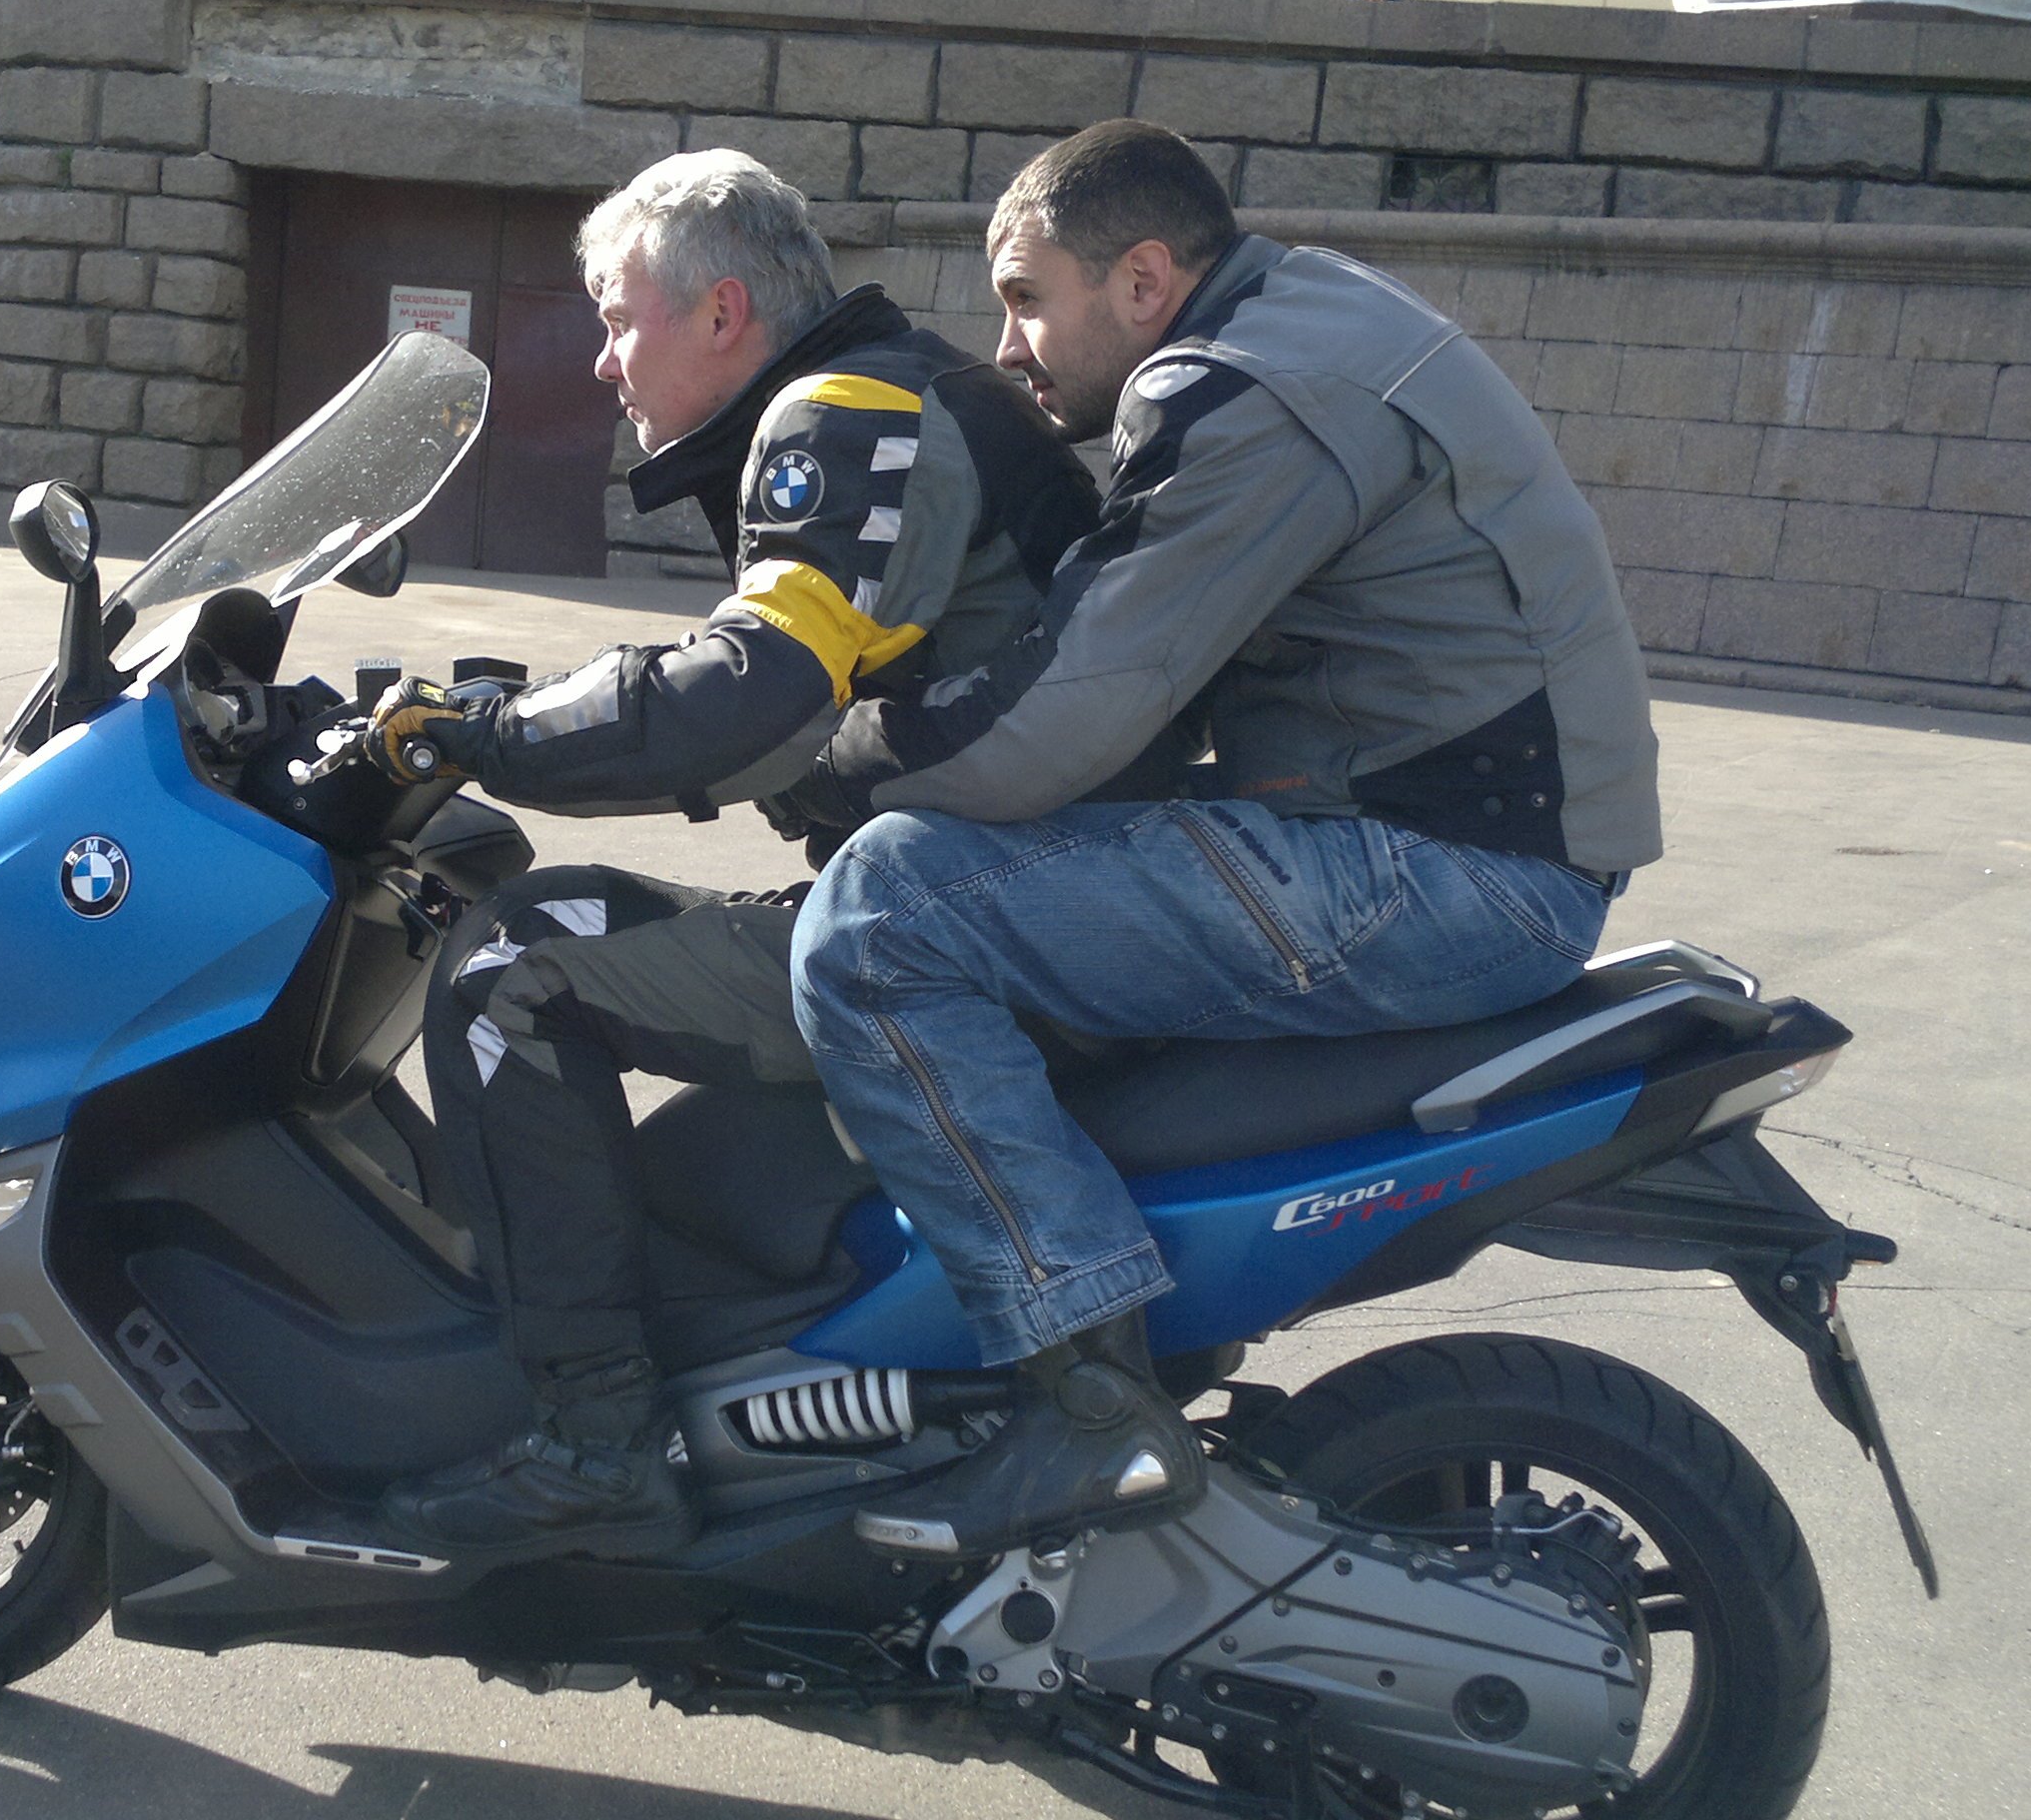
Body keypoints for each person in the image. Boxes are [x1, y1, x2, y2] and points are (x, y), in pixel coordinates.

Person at [781, 121, 1664, 1559]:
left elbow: (1066, 713)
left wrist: (833, 757)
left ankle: (1086, 1394)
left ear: (1141, 282)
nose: (1006, 346)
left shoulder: (1234, 389)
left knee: (884, 920)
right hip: (1456, 836)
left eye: (1026, 299)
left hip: (1447, 874)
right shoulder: (1307, 310)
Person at [362, 150, 1098, 1561]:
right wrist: (542, 710)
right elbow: (795, 695)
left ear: (722, 312)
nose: (601, 361)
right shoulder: (899, 387)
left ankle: (594, 1447)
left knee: (514, 963)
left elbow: (751, 689)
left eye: (616, 318)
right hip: (1002, 889)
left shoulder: (846, 411)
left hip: (979, 923)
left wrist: (488, 736)